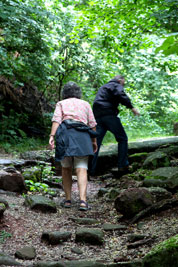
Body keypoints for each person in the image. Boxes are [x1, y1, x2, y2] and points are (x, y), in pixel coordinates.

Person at [49, 82, 97, 211]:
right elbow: (92, 124)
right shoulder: (85, 104)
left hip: (65, 136)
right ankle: (83, 201)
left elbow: (57, 120)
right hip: (83, 136)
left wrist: (52, 136)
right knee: (82, 168)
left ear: (64, 93)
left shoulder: (61, 104)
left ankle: (68, 200)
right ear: (78, 93)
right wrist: (94, 141)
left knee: (66, 168)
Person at [89, 75, 140, 178]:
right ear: (120, 80)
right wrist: (132, 107)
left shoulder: (104, 87)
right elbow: (121, 94)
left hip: (98, 115)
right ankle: (123, 165)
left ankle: (89, 171)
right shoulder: (115, 85)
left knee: (96, 143)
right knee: (122, 138)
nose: (123, 84)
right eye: (123, 82)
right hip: (109, 114)